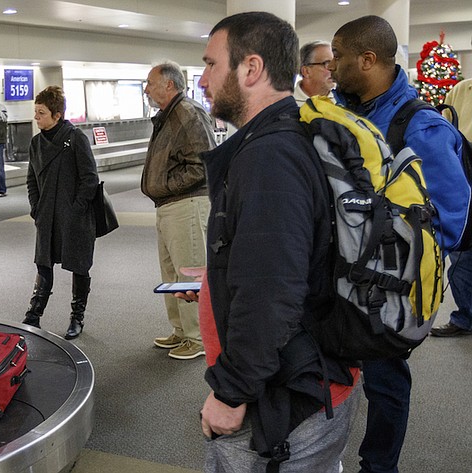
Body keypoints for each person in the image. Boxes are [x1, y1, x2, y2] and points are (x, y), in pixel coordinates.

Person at [196, 12, 360, 471]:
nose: (204, 78)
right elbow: (284, 256)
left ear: (250, 69)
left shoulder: (270, 156)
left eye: (211, 64)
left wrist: (230, 392)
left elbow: (272, 291)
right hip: (311, 379)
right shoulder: (286, 136)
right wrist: (218, 280)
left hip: (288, 397)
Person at [329, 15, 470, 473]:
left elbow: (451, 216)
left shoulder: (419, 126)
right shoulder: (349, 114)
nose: (331, 66)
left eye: (339, 57)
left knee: (386, 381)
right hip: (343, 275)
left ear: (368, 60)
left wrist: (405, 277)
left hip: (388, 287)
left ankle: (379, 465)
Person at [141, 61, 214, 360]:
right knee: (172, 272)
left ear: (169, 85)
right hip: (170, 205)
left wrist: (167, 185)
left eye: (150, 82)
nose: (146, 88)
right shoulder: (168, 115)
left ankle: (197, 338)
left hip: (187, 204)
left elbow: (203, 163)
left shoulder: (187, 113)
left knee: (188, 271)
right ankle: (181, 331)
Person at [21, 86, 99, 340]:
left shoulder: (75, 139)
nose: (36, 117)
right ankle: (33, 315)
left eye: (41, 113)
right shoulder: (36, 143)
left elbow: (90, 179)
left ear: (57, 115)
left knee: (79, 266)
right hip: (46, 216)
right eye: (35, 112)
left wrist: (76, 211)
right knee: (44, 264)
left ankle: (77, 317)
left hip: (75, 217)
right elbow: (31, 179)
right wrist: (36, 207)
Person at [431, 77, 472, 337]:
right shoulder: (461, 89)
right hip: (466, 175)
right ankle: (465, 317)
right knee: (461, 254)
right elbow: (443, 129)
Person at [293, 40, 335, 106]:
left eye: (335, 63)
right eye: (327, 63)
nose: (334, 68)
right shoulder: (286, 105)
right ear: (306, 71)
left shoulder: (345, 101)